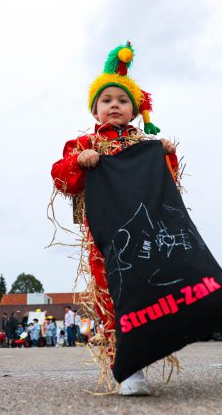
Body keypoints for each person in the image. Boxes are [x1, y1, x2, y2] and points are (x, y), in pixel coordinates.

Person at [51, 42, 178, 395]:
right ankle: (126, 368)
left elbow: (168, 187)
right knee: (111, 298)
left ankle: (142, 355)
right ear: (95, 109)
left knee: (146, 299)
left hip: (145, 237)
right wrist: (79, 162)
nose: (114, 105)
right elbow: (61, 178)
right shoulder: (83, 143)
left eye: (122, 100)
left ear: (135, 110)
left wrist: (167, 156)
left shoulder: (145, 145)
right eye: (106, 100)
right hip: (105, 239)